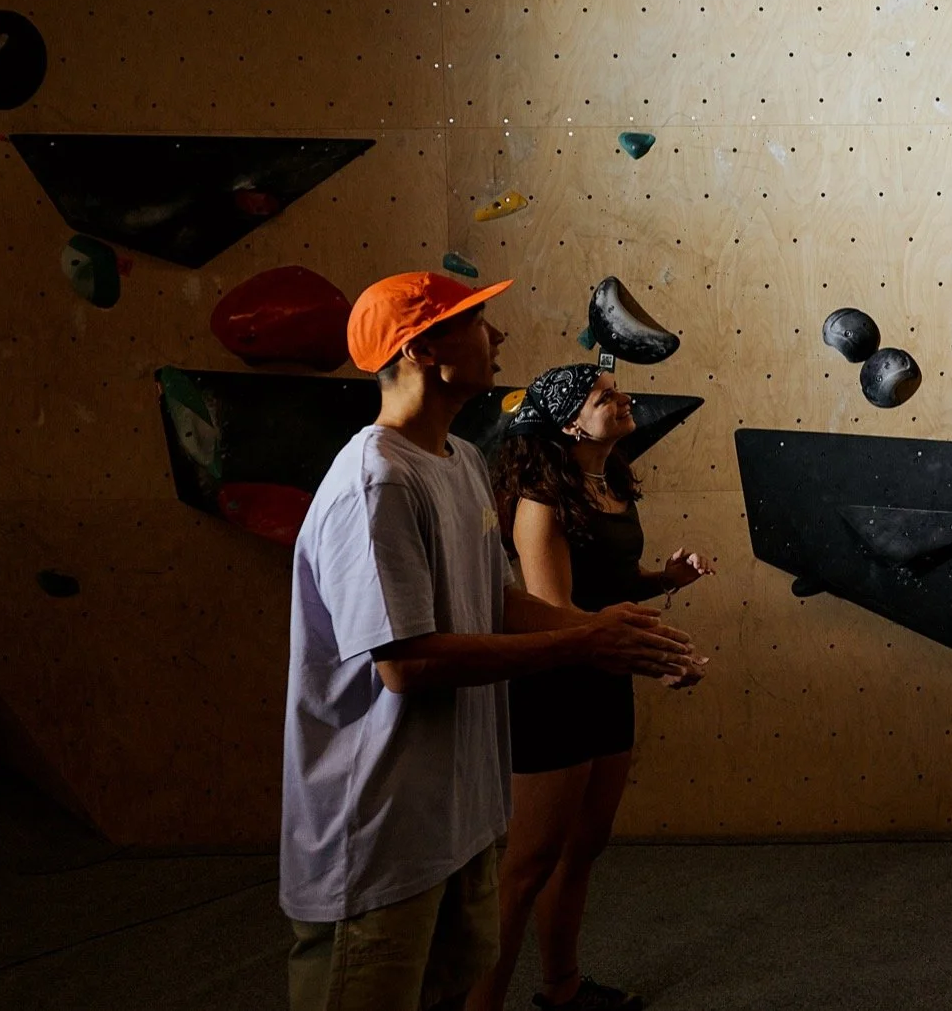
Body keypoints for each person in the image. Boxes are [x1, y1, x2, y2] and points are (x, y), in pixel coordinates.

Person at [282, 272, 702, 1011]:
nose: (498, 335)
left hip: (457, 822)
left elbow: (495, 602)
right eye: (477, 322)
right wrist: (584, 643)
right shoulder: (374, 483)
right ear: (421, 352)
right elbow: (406, 665)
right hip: (379, 835)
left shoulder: (461, 463)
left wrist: (615, 637)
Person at [470, 364, 714, 1011]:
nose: (622, 399)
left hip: (605, 682)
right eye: (604, 396)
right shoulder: (541, 501)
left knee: (582, 849)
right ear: (570, 423)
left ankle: (563, 989)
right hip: (555, 689)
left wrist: (661, 580)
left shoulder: (609, 485)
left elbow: (610, 582)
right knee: (527, 869)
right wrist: (651, 654)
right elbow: (555, 611)